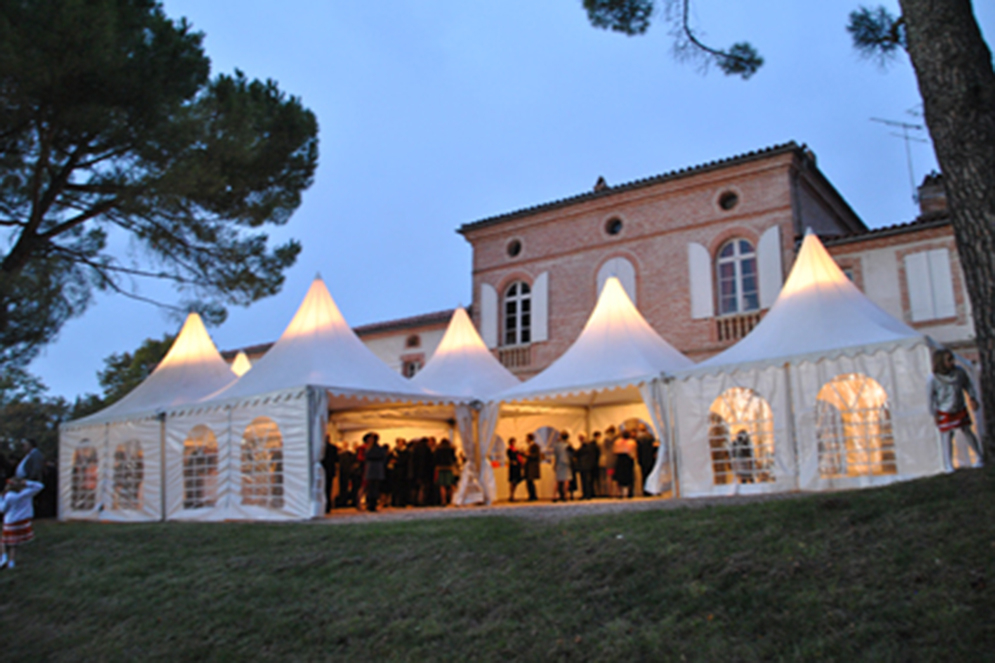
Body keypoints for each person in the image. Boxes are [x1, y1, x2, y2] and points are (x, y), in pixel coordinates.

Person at [928, 348, 984, 472]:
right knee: (947, 436)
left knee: (967, 431)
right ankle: (948, 464)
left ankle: (979, 457)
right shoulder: (933, 378)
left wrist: (972, 398)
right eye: (949, 360)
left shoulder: (959, 373)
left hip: (959, 407)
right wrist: (934, 413)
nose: (952, 362)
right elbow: (930, 397)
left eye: (952, 359)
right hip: (944, 410)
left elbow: (968, 386)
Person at [0, 477, 44, 570]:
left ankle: (3, 557)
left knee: (3, 541)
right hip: (23, 521)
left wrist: (0, 499)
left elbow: (2, 509)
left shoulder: (9, 496)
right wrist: (27, 483)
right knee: (14, 543)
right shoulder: (27, 493)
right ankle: (11, 562)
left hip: (11, 520)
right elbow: (40, 486)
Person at [363, 432, 387, 512]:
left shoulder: (374, 449)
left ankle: (372, 504)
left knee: (373, 488)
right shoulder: (378, 449)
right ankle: (371, 504)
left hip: (373, 470)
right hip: (375, 470)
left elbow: (368, 456)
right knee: (372, 488)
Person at [613, 430, 637, 498]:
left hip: (620, 459)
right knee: (629, 477)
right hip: (628, 459)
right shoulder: (632, 442)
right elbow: (634, 453)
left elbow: (614, 451)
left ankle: (620, 493)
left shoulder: (617, 442)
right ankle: (630, 493)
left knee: (619, 477)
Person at [434, 438, 457, 506]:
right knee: (451, 485)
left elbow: (435, 459)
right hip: (449, 468)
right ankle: (453, 499)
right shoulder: (451, 450)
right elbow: (454, 459)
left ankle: (443, 500)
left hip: (440, 468)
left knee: (442, 486)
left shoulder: (438, 450)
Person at [577, 433, 600, 500]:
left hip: (584, 465)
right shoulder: (593, 446)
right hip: (592, 465)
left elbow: (578, 453)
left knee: (585, 480)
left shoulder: (584, 446)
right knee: (590, 480)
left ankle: (587, 494)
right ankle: (591, 493)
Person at [552, 431, 572, 502]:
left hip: (559, 463)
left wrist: (555, 464)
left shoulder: (557, 445)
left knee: (558, 480)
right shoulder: (568, 445)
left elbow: (555, 455)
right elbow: (571, 454)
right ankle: (565, 495)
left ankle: (554, 495)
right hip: (566, 462)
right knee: (566, 480)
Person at [321, 437, 339, 514]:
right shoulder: (333, 448)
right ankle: (328, 506)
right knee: (329, 488)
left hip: (322, 469)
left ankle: (322, 505)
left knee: (322, 488)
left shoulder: (321, 448)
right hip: (330, 470)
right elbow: (336, 460)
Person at [524, 433, 541, 501]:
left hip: (532, 466)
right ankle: (531, 495)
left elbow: (536, 456)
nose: (525, 440)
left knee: (530, 481)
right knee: (529, 481)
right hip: (529, 466)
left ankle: (533, 496)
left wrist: (528, 454)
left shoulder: (535, 446)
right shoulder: (530, 446)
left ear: (529, 439)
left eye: (526, 438)